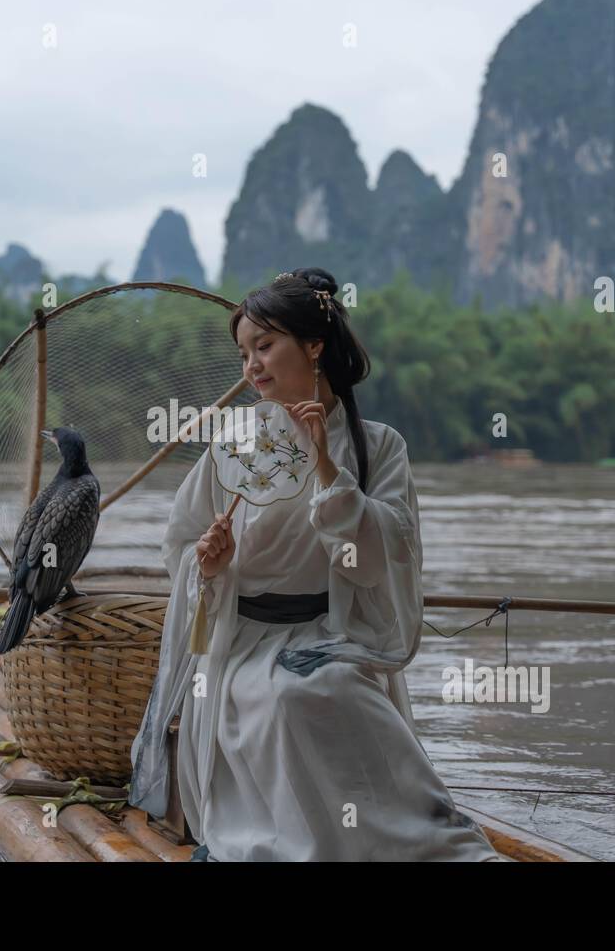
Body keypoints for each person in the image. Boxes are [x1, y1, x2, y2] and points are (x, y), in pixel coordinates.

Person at [129, 267, 503, 861]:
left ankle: (408, 842)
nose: (251, 365)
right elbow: (182, 548)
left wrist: (326, 467)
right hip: (243, 639)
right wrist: (212, 563)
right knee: (283, 698)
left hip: (330, 633)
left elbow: (378, 559)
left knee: (325, 686)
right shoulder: (234, 442)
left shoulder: (378, 446)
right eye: (244, 352)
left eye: (265, 345)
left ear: (314, 345)